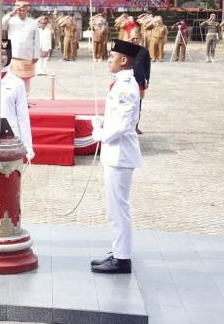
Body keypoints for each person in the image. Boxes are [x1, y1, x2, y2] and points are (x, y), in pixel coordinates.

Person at [90, 40, 142, 274]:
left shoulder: (125, 86)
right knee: (114, 208)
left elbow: (121, 126)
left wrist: (100, 133)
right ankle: (118, 250)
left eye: (112, 57)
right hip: (116, 153)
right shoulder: (121, 83)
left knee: (118, 208)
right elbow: (118, 118)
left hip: (120, 153)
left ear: (123, 60)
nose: (108, 61)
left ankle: (122, 259)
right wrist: (102, 122)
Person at [2, 2, 40, 93]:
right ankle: (13, 99)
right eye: (19, 10)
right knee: (12, 79)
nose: (21, 12)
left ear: (27, 11)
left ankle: (25, 100)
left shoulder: (33, 22)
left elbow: (37, 40)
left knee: (26, 80)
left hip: (28, 55)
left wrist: (36, 55)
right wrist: (12, 12)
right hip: (14, 55)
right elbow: (1, 23)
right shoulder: (11, 20)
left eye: (23, 10)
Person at [128, 30, 150, 135]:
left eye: (137, 38)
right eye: (133, 38)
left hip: (139, 81)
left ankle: (136, 126)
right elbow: (113, 53)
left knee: (138, 104)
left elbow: (147, 67)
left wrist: (147, 80)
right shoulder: (125, 49)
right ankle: (126, 126)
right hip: (127, 81)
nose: (135, 40)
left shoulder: (144, 51)